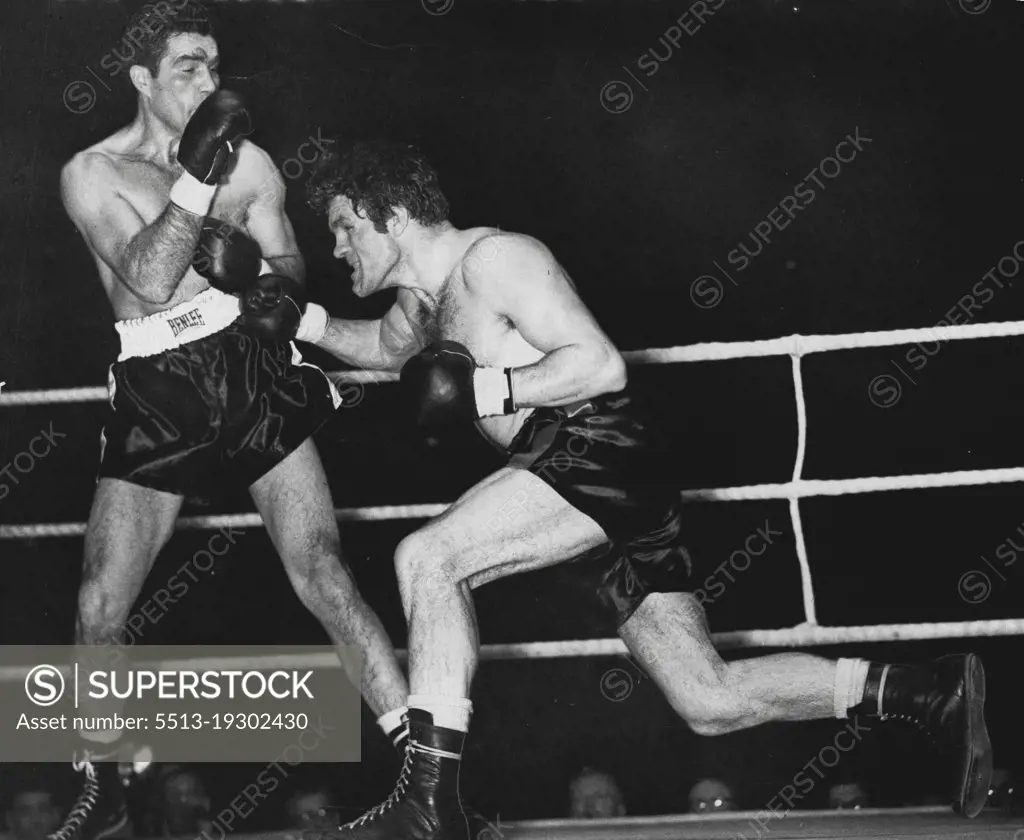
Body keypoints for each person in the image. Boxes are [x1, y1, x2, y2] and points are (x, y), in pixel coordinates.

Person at [299, 141, 992, 839]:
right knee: (708, 699)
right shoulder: (417, 305)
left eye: (342, 226)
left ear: (386, 215)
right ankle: (924, 692)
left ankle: (429, 805)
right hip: (578, 480)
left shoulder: (497, 261)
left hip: (597, 445)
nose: (334, 248)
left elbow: (599, 365)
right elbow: (387, 352)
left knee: (428, 558)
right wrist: (303, 326)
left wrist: (484, 388)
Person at [56, 6, 409, 839]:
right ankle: (105, 784)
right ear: (141, 79)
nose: (209, 83)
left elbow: (287, 266)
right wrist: (197, 181)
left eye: (215, 67)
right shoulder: (91, 171)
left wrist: (259, 274)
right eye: (187, 67)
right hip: (157, 378)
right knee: (102, 600)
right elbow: (146, 277)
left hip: (248, 363)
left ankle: (425, 767)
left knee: (322, 571)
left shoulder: (250, 159)